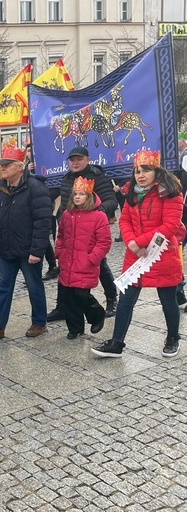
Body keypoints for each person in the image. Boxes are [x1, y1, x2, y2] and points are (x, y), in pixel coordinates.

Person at [92, 150, 184, 358]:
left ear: (156, 171)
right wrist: (131, 242)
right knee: (126, 300)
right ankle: (116, 343)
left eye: (146, 170)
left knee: (167, 299)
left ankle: (172, 338)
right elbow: (124, 220)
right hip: (135, 255)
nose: (140, 175)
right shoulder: (131, 192)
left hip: (161, 254)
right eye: (137, 171)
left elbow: (170, 225)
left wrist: (139, 242)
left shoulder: (171, 192)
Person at [0, 146, 51, 339]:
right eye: (2, 165)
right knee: (3, 287)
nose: (3, 168)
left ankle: (39, 323)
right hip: (7, 249)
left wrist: (37, 250)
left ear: (19, 166)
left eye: (7, 165)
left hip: (28, 250)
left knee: (34, 286)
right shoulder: (1, 187)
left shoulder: (36, 187)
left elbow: (43, 222)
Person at [47, 146, 119, 323]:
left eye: (79, 159)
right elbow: (59, 200)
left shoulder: (98, 176)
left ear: (87, 159)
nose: (75, 162)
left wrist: (95, 214)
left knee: (100, 265)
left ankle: (111, 299)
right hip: (69, 231)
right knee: (65, 271)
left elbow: (112, 200)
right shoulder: (65, 179)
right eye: (72, 160)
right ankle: (62, 307)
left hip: (91, 234)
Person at [55, 177, 111, 340]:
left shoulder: (99, 216)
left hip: (85, 263)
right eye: (75, 194)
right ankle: (75, 328)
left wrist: (92, 259)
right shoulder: (67, 214)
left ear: (89, 196)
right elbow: (61, 235)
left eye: (81, 194)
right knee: (68, 297)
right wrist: (59, 252)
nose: (77, 197)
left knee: (82, 295)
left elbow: (104, 242)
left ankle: (96, 314)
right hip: (68, 262)